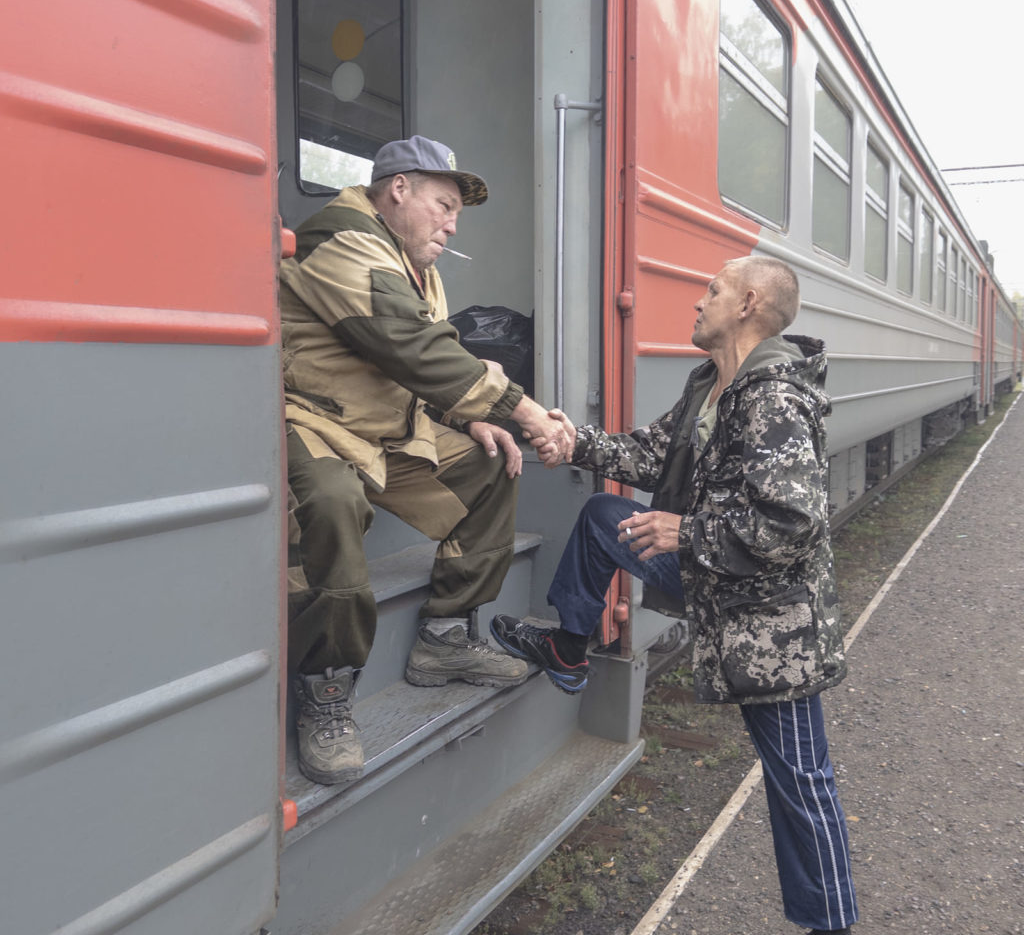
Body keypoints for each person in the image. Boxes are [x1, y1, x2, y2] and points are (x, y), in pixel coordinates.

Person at [492, 257, 858, 935]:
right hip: (717, 584)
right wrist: (575, 441)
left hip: (772, 628)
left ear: (748, 303)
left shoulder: (773, 394)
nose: (698, 300)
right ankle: (570, 647)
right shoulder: (711, 386)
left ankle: (830, 923)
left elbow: (792, 523)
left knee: (801, 780)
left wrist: (686, 530)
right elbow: (648, 457)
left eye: (711, 289)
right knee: (606, 518)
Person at [281, 135, 573, 786]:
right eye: (443, 205)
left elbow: (413, 364)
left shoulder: (417, 265)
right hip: (318, 425)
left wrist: (469, 416)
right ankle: (326, 689)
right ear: (398, 190)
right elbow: (410, 345)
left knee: (492, 465)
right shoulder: (341, 239)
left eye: (457, 215)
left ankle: (442, 639)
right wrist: (522, 412)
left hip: (388, 432)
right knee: (332, 504)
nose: (451, 223)